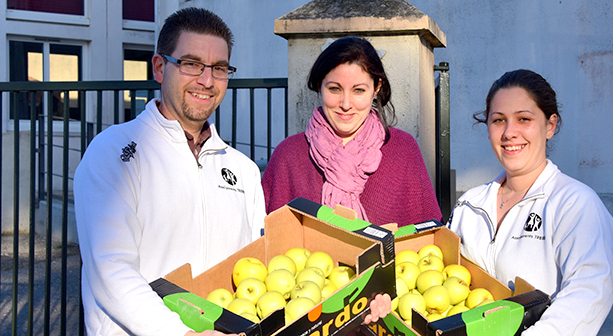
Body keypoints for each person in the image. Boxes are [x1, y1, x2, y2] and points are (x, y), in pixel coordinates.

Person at [74, 8, 265, 336]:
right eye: (191, 64)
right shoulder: (113, 154)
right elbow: (111, 270)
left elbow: (254, 270)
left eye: (219, 68)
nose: (206, 81)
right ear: (160, 67)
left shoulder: (243, 170)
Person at [447, 69, 613, 335]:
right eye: (498, 120)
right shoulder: (469, 205)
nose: (509, 133)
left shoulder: (574, 203)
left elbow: (590, 292)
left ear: (550, 126)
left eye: (524, 119)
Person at [262, 36, 442, 227]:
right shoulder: (288, 155)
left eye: (358, 90)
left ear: (376, 88)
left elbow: (427, 235)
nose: (346, 104)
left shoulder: (403, 150)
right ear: (319, 86)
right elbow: (270, 239)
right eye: (334, 89)